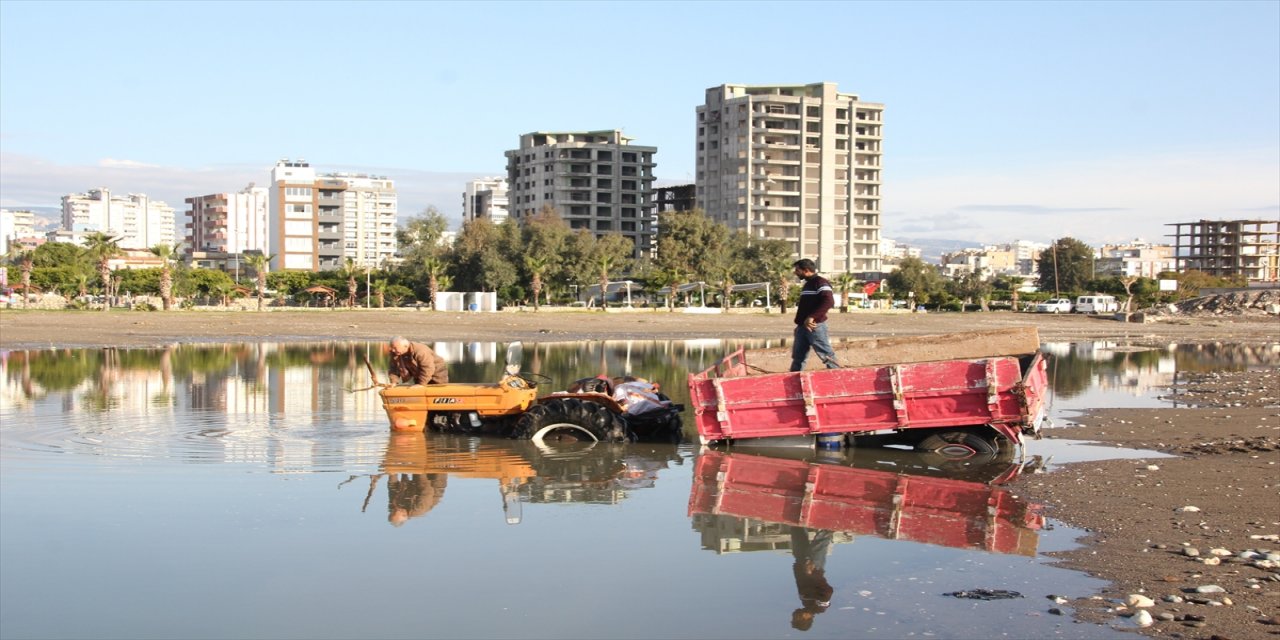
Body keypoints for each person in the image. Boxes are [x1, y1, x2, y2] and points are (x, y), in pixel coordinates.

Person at [790, 259, 841, 371]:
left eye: (797, 270)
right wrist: (799, 326)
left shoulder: (820, 282)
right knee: (798, 357)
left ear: (806, 270)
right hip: (803, 327)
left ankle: (837, 376)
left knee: (826, 354)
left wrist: (812, 317)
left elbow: (829, 301)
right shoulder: (808, 284)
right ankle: (794, 380)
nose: (795, 272)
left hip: (815, 326)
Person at [789, 526, 835, 631]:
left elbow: (800, 582)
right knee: (823, 536)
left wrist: (797, 567)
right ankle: (831, 517)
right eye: (795, 618)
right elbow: (828, 592)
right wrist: (812, 573)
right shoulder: (819, 607)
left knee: (797, 532)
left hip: (801, 563)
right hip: (815, 566)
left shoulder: (805, 602)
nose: (794, 615)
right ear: (805, 618)